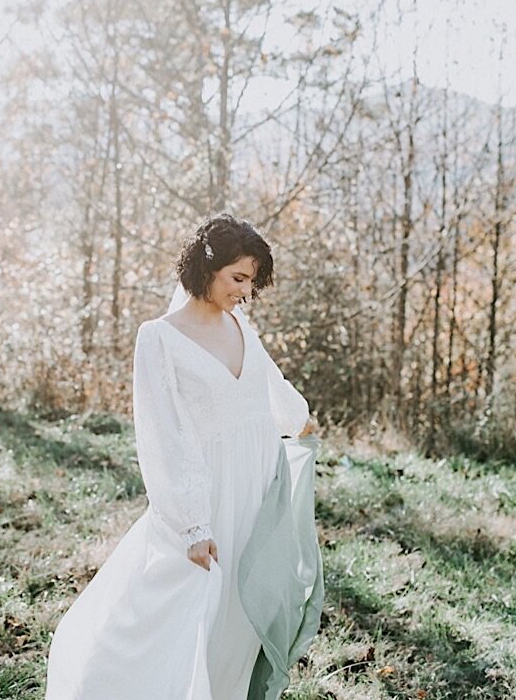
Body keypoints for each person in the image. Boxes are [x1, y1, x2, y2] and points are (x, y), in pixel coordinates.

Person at [45, 213, 323, 700]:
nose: (245, 291)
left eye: (252, 282)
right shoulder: (159, 337)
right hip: (206, 497)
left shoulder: (241, 327)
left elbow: (267, 385)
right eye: (238, 278)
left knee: (240, 618)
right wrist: (192, 525)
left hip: (257, 490)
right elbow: (162, 435)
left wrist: (297, 419)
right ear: (206, 267)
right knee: (177, 613)